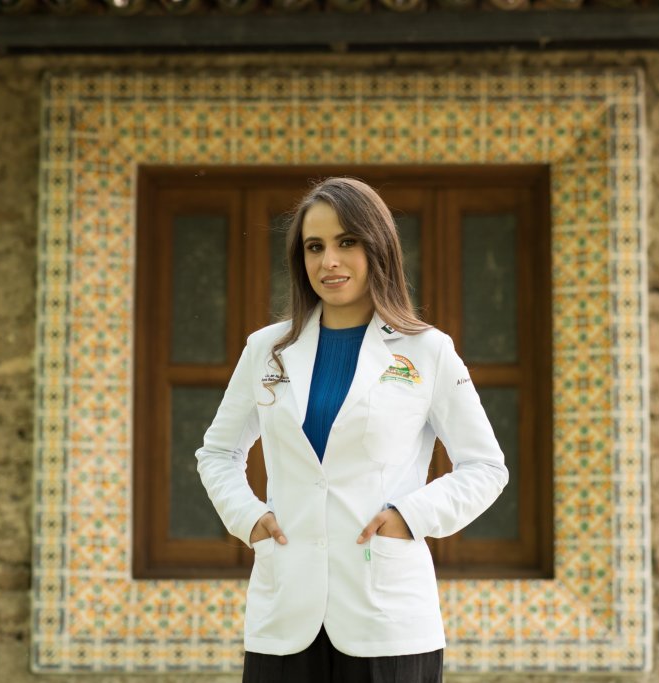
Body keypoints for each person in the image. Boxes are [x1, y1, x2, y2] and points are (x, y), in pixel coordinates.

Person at [195, 177, 509, 682]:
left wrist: (409, 516)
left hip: (387, 618)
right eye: (314, 247)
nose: (329, 261)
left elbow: (486, 467)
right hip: (284, 614)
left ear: (377, 247)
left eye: (346, 242)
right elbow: (218, 453)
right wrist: (248, 518)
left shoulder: (427, 351)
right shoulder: (265, 351)